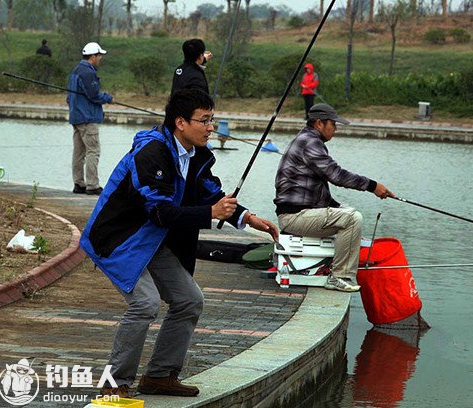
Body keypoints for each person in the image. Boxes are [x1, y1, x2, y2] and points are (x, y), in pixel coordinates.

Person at [80, 88, 278, 398]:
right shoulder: (151, 153)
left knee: (189, 299)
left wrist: (248, 218)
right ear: (181, 123)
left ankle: (159, 375)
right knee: (145, 303)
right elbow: (160, 211)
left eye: (213, 119)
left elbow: (211, 192)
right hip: (117, 238)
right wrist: (208, 214)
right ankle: (114, 383)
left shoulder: (196, 155)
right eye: (204, 120)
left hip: (152, 240)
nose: (211, 127)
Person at [274, 103, 394, 292]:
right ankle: (339, 276)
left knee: (346, 212)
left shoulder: (307, 139)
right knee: (353, 219)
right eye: (333, 124)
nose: (335, 129)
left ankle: (336, 267)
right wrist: (373, 186)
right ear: (319, 123)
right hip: (293, 217)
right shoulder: (310, 142)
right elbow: (337, 175)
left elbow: (318, 190)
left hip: (300, 213)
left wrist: (338, 207)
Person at [67, 42, 113, 196]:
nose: (100, 58)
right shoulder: (88, 72)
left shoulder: (76, 70)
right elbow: (94, 95)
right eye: (99, 56)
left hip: (76, 117)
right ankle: (92, 185)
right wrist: (107, 98)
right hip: (87, 119)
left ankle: (78, 183)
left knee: (78, 152)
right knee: (93, 151)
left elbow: (69, 98)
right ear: (93, 56)